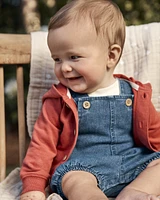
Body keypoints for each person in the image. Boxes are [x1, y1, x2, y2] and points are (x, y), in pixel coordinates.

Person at [20, 0, 160, 200]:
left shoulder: (135, 93)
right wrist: (32, 185)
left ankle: (132, 193)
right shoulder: (59, 100)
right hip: (83, 168)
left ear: (111, 56)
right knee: (73, 181)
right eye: (57, 59)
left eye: (74, 57)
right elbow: (41, 146)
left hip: (133, 162)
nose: (64, 67)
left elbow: (155, 132)